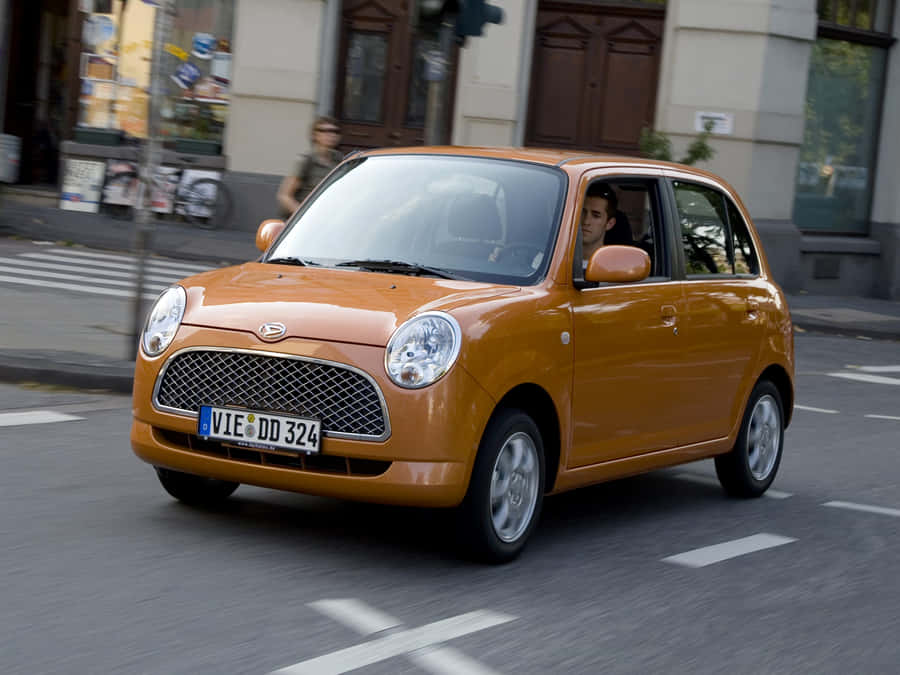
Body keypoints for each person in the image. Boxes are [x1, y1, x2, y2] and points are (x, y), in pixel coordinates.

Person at [276, 116, 343, 218]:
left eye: (335, 131)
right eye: (324, 131)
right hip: (308, 219)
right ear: (315, 135)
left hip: (329, 216)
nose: (330, 134)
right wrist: (304, 215)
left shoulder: (339, 159)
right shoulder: (306, 161)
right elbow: (285, 196)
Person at [581, 182, 619, 265]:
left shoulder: (613, 267)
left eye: (595, 216)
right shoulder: (554, 257)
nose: (586, 221)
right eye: (583, 213)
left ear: (610, 224)